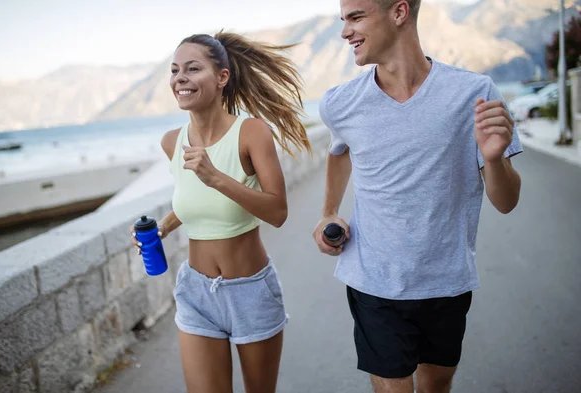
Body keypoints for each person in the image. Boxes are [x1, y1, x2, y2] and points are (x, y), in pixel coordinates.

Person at [311, 1, 523, 393]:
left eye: (356, 17)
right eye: (343, 20)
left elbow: (507, 201)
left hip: (447, 280)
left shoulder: (473, 93)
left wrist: (493, 160)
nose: (344, 32)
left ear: (399, 12)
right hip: (373, 281)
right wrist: (328, 212)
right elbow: (339, 151)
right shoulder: (339, 103)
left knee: (436, 386)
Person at [131, 31, 311, 393]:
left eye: (192, 69)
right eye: (175, 70)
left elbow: (277, 211)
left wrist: (216, 177)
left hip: (250, 291)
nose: (180, 77)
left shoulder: (252, 133)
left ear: (222, 77)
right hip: (196, 293)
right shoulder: (172, 142)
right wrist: (163, 226)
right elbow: (193, 197)